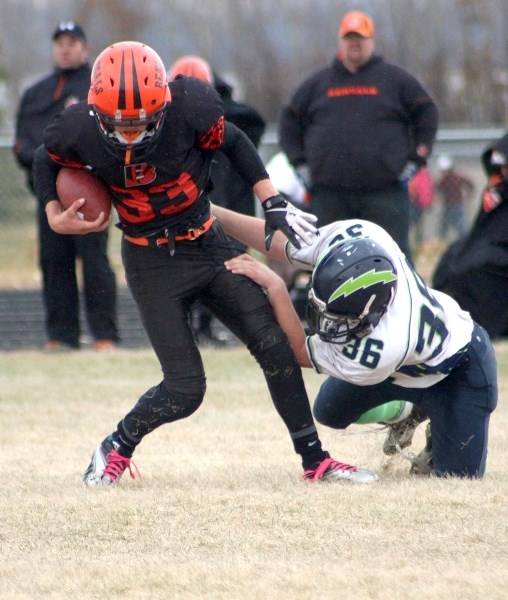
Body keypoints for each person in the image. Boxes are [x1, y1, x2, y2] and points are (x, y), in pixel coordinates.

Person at [33, 41, 378, 486]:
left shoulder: (189, 106)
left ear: (164, 105)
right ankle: (115, 446)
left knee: (275, 347)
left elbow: (233, 140)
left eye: (143, 122)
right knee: (184, 390)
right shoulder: (76, 129)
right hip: (149, 259)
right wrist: (50, 214)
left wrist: (270, 199)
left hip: (207, 243)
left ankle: (316, 462)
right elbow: (46, 159)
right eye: (122, 124)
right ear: (98, 114)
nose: (133, 134)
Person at [213, 205, 498, 478]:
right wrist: (214, 213)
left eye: (340, 319)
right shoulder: (361, 236)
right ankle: (408, 411)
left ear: (372, 314)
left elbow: (300, 352)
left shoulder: (386, 345)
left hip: (458, 368)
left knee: (459, 475)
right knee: (329, 409)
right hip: (407, 366)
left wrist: (276, 287)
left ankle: (438, 418)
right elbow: (282, 243)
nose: (326, 322)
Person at [278, 10, 439, 264]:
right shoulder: (317, 84)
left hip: (384, 193)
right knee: (330, 261)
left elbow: (427, 112)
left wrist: (418, 156)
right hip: (329, 195)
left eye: (360, 38)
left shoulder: (395, 79)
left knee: (392, 259)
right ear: (341, 41)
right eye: (349, 38)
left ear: (371, 41)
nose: (355, 44)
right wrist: (300, 163)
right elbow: (288, 122)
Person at [13, 22, 118, 352]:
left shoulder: (98, 87)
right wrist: (54, 172)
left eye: (73, 42)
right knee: (54, 263)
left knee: (95, 264)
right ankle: (61, 336)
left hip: (90, 194)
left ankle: (105, 337)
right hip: (49, 198)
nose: (66, 48)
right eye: (60, 42)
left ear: (85, 48)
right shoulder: (36, 94)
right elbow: (25, 147)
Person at [167, 55, 266, 346]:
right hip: (186, 206)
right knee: (185, 271)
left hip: (227, 204)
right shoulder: (162, 121)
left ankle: (212, 327)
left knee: (224, 271)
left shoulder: (232, 119)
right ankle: (187, 330)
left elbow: (251, 127)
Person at [433, 134, 508, 339]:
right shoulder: (496, 191)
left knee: (474, 266)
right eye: (499, 167)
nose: (502, 171)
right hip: (486, 242)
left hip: (498, 253)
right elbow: (482, 228)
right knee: (453, 257)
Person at [435, 154, 474, 241]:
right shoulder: (456, 176)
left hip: (455, 204)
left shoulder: (452, 177)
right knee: (447, 226)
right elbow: (470, 184)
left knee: (458, 227)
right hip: (451, 204)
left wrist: (468, 196)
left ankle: (464, 241)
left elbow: (438, 188)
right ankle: (464, 241)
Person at [408, 166, 435, 249]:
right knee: (418, 226)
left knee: (410, 225)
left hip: (413, 204)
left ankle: (413, 243)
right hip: (420, 205)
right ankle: (418, 243)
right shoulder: (424, 174)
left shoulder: (412, 173)